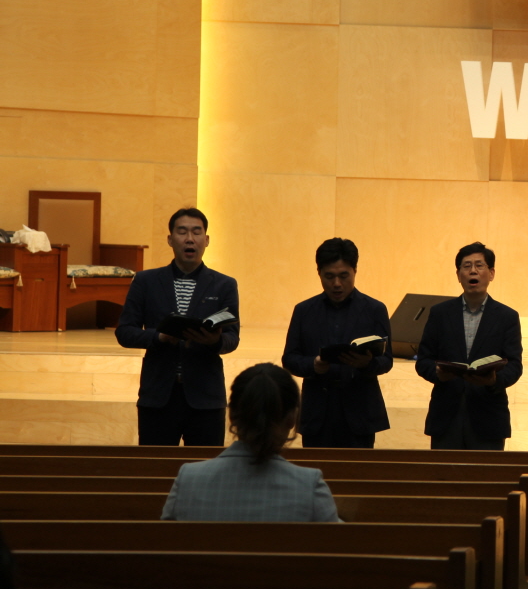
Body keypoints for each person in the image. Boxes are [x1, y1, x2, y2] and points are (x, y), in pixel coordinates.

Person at [116, 208, 240, 446]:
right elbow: (124, 332)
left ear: (207, 240)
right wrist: (158, 337)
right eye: (182, 232)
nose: (189, 239)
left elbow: (232, 338)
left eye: (196, 232)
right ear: (170, 239)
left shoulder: (224, 285)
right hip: (158, 396)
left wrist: (214, 341)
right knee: (156, 466)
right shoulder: (145, 281)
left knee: (206, 466)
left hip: (206, 398)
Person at [161, 363, 339, 522]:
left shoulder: (188, 479)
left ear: (232, 415)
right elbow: (339, 542)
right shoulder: (309, 485)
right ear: (292, 418)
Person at [280, 238, 392, 449]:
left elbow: (386, 360)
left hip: (360, 411)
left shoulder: (375, 310)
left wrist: (366, 364)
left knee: (357, 469)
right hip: (317, 411)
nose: (337, 284)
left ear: (355, 271)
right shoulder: (304, 311)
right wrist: (313, 365)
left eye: (344, 276)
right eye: (329, 276)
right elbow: (290, 358)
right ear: (319, 273)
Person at [415, 242, 523, 450]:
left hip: (489, 418)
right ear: (458, 275)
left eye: (479, 265)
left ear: (491, 273)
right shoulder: (440, 314)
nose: (473, 271)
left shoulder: (507, 317)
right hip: (445, 417)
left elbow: (514, 365)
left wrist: (493, 380)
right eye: (466, 266)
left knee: (485, 472)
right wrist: (438, 373)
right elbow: (423, 360)